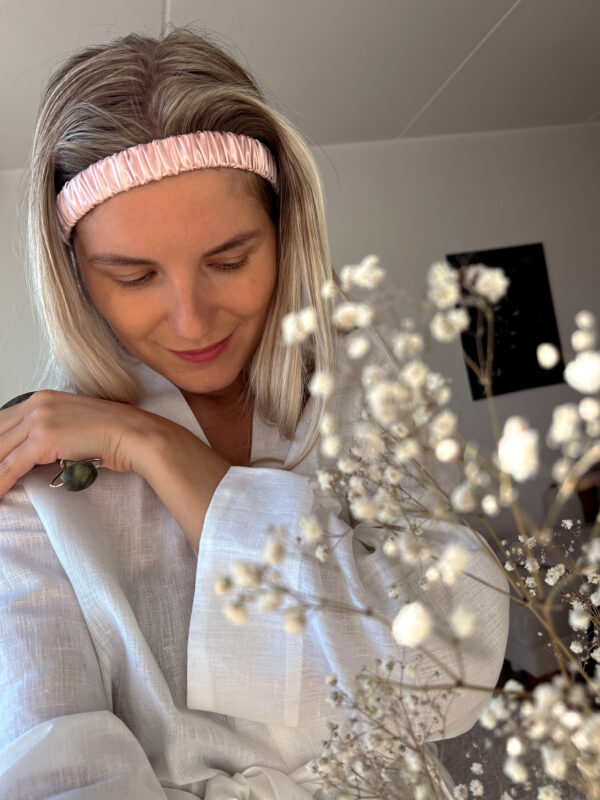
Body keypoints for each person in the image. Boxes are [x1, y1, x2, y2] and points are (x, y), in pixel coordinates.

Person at [0, 27, 509, 799]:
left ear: (284, 232)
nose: (192, 319)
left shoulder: (355, 389)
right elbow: (55, 770)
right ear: (75, 276)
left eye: (229, 260)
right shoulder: (35, 489)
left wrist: (162, 451)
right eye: (134, 276)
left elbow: (450, 672)